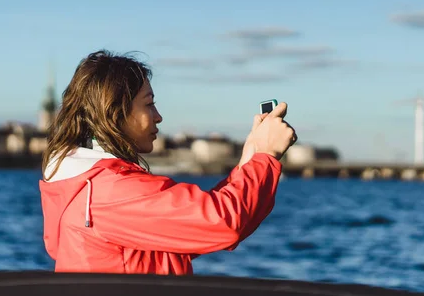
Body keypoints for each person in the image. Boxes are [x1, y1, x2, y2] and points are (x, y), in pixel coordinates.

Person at [39, 49, 297, 275]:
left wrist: (251, 158)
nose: (158, 116)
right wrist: (266, 157)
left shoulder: (89, 186)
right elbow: (223, 222)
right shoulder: (111, 191)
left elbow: (201, 226)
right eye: (149, 104)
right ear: (115, 113)